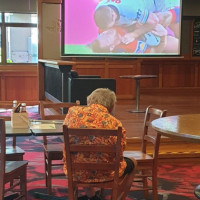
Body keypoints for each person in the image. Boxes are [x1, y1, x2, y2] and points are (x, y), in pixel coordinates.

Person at [63, 88, 135, 200]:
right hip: (106, 174)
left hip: (76, 171)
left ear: (89, 101)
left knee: (82, 156)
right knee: (133, 163)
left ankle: (90, 195)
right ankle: (117, 196)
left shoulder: (72, 113)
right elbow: (121, 149)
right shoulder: (115, 123)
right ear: (111, 106)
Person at [94, 0, 180, 42]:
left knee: (162, 19)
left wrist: (134, 34)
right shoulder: (100, 9)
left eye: (112, 23)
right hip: (137, 7)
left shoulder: (129, 9)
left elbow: (154, 21)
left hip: (157, 2)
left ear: (113, 14)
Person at [90, 24, 178, 54]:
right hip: (158, 35)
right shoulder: (128, 48)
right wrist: (163, 36)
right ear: (112, 47)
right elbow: (155, 51)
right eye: (107, 39)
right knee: (176, 46)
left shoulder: (104, 26)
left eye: (102, 35)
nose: (106, 34)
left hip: (153, 17)